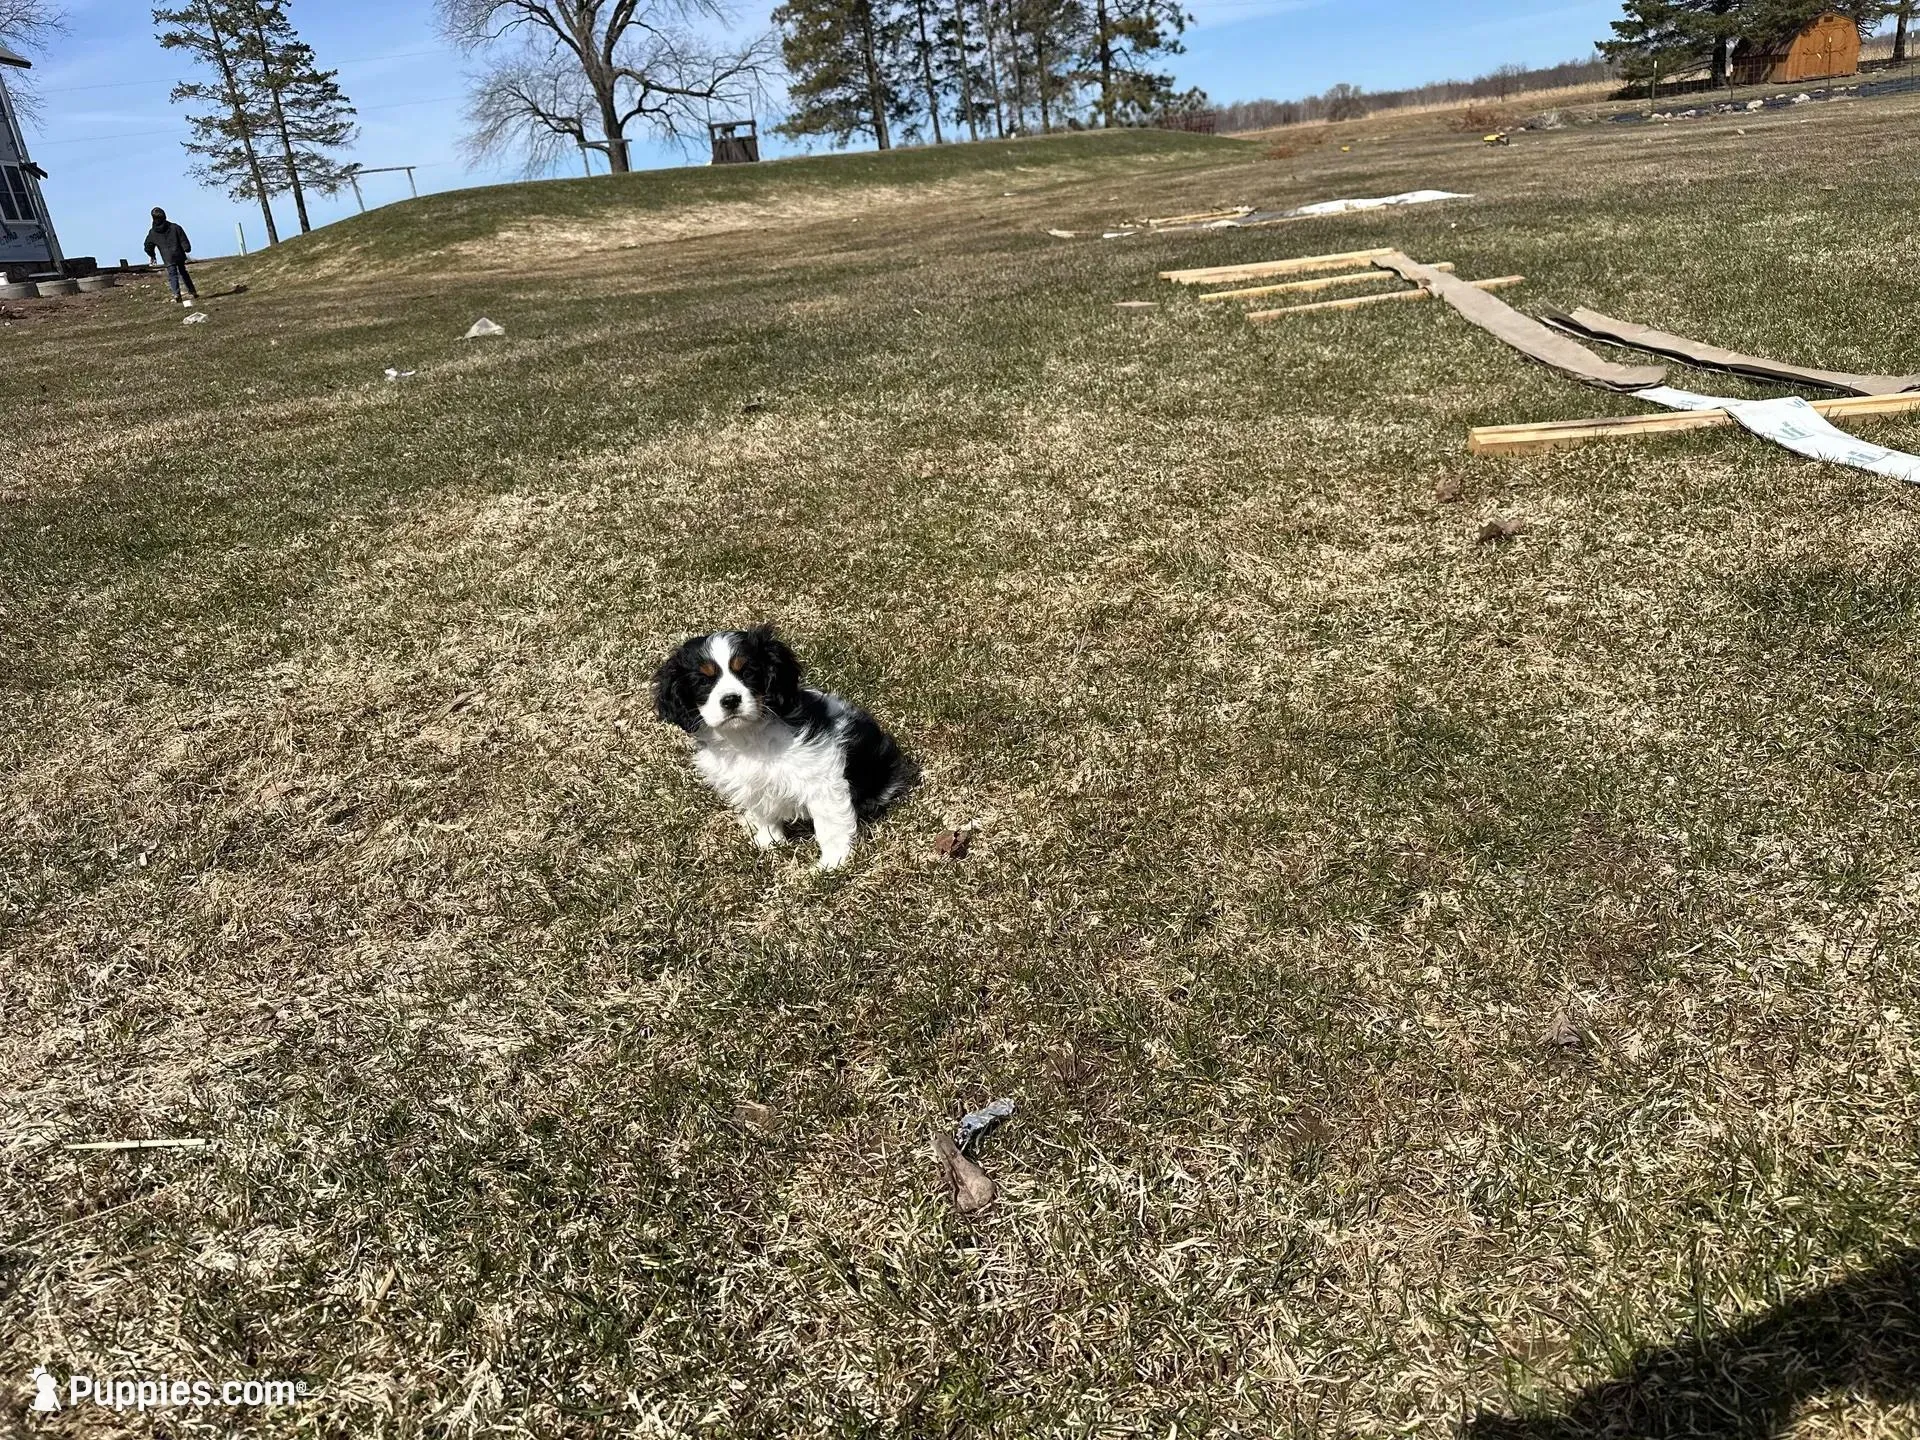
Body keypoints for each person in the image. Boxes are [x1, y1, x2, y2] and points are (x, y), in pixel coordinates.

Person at [143, 207, 198, 306]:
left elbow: (148, 246)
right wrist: (186, 248)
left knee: (172, 275)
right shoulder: (175, 227)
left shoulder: (153, 233)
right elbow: (183, 238)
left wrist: (152, 255)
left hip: (167, 257)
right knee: (183, 273)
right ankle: (192, 291)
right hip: (179, 254)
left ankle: (176, 294)